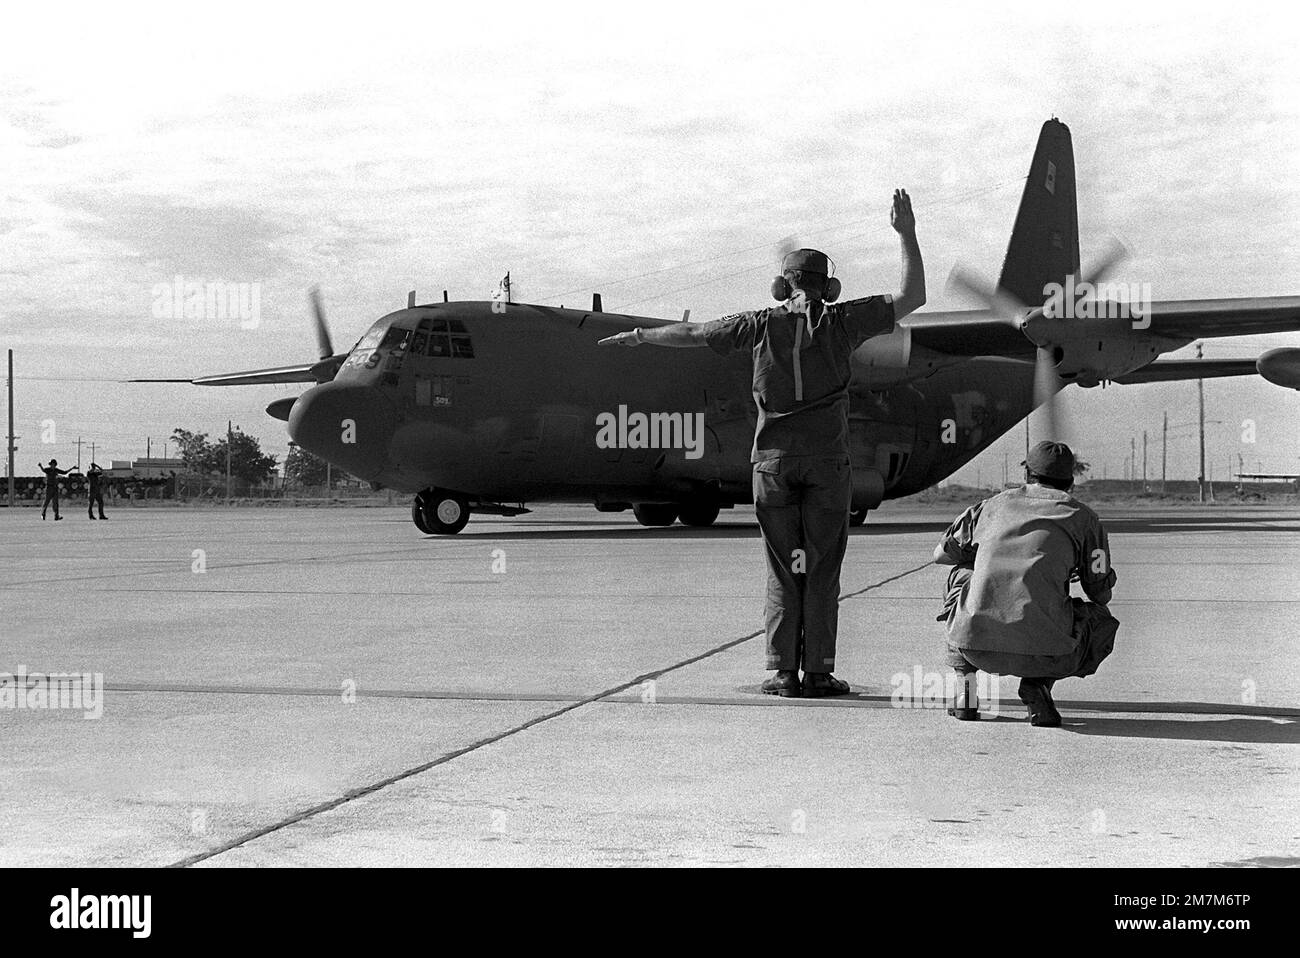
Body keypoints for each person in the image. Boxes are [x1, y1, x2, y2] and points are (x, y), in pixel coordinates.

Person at [599, 190, 926, 697]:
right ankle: (817, 671)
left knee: (782, 566)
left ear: (780, 286)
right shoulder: (843, 321)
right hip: (827, 465)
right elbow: (913, 297)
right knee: (821, 567)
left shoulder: (758, 324)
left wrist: (640, 334)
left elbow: (691, 332)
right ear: (831, 287)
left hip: (772, 465)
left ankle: (781, 672)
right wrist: (905, 233)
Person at [933, 441, 1119, 726]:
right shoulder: (1086, 519)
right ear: (1070, 481)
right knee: (1100, 620)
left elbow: (941, 555)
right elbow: (1101, 595)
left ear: (1027, 475)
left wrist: (986, 558)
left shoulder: (989, 507)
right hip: (1049, 654)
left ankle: (964, 691)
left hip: (976, 648)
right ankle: (1039, 684)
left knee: (961, 576)